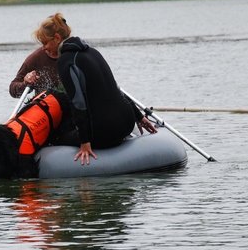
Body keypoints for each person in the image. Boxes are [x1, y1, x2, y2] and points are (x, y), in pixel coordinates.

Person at [33, 12, 156, 165]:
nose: (43, 48)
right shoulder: (92, 52)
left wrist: (85, 142)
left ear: (57, 38)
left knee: (55, 135)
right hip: (127, 122)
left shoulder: (66, 61)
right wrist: (139, 116)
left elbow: (78, 103)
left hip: (105, 133)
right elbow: (116, 89)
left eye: (45, 43)